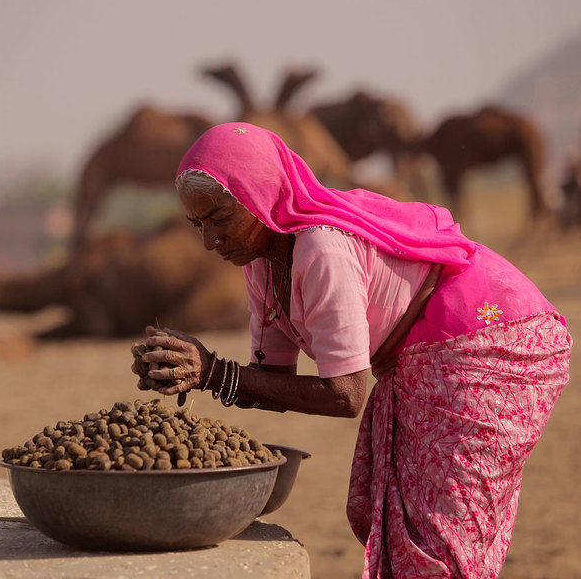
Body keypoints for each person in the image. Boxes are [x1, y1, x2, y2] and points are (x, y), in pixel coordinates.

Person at [132, 122, 571, 579]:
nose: (209, 241)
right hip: (420, 355)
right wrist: (193, 371)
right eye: (197, 223)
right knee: (407, 532)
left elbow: (345, 394)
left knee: (439, 543)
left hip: (489, 341)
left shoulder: (321, 250)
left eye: (220, 219)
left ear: (261, 195)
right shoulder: (261, 262)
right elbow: (274, 380)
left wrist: (214, 373)